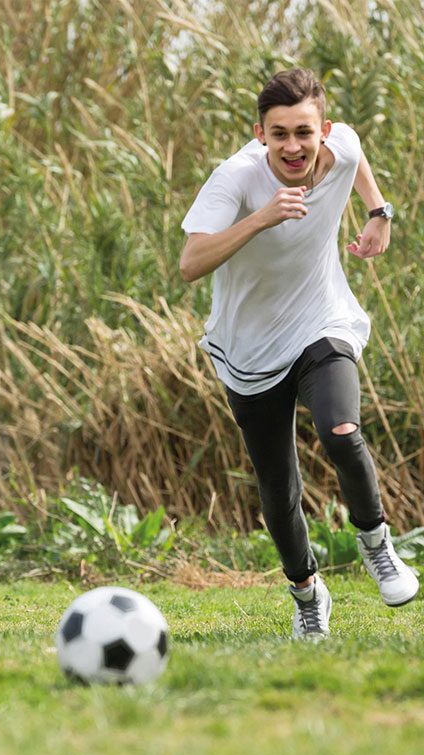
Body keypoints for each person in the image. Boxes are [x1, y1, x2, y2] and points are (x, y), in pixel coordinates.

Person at [179, 68, 417, 639]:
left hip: (321, 321)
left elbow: (357, 157)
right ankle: (308, 593)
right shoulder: (235, 178)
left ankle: (378, 545)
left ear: (323, 130)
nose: (293, 147)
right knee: (278, 486)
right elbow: (190, 263)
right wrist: (262, 218)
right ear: (259, 133)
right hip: (249, 348)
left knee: (341, 430)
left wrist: (379, 212)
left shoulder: (343, 143)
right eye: (279, 133)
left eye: (304, 133)